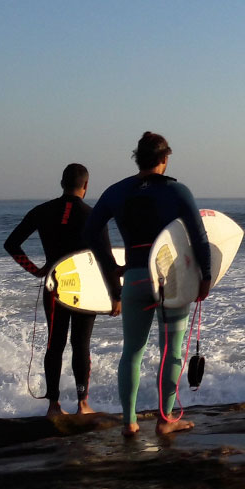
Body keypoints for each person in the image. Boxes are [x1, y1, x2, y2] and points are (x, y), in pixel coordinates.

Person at [86, 132, 211, 437]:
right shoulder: (178, 191)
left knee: (132, 350)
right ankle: (165, 420)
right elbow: (199, 237)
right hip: (171, 282)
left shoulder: (116, 191)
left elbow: (89, 231)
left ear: (137, 158)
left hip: (134, 277)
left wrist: (111, 267)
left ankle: (129, 422)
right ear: (165, 159)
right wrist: (206, 276)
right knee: (171, 350)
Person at [4, 164, 101, 418]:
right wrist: (114, 294)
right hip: (85, 289)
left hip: (54, 285)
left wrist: (35, 270)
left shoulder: (41, 211)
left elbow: (11, 244)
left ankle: (53, 406)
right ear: (86, 185)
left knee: (54, 344)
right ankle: (82, 404)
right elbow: (105, 260)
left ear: (61, 183)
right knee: (81, 345)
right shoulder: (93, 214)